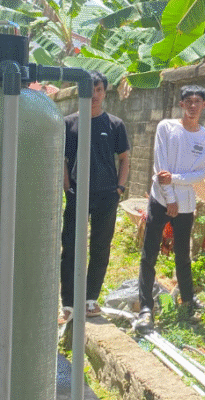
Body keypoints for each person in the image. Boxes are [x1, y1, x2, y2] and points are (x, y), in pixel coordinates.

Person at [135, 85, 205, 333]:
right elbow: (160, 169)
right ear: (181, 105)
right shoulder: (166, 128)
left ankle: (188, 300)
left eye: (197, 101)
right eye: (188, 101)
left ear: (204, 105)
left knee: (183, 255)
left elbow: (201, 173)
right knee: (149, 254)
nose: (193, 105)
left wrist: (176, 179)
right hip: (160, 199)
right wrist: (170, 198)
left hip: (186, 203)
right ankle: (145, 308)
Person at [60, 70, 130, 321]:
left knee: (100, 247)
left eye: (99, 90)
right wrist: (67, 187)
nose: (94, 95)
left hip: (106, 196)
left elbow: (124, 159)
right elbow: (63, 159)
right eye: (90, 89)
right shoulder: (69, 123)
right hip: (77, 194)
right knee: (70, 247)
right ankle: (69, 303)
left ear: (104, 92)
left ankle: (90, 299)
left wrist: (119, 188)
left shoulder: (115, 125)